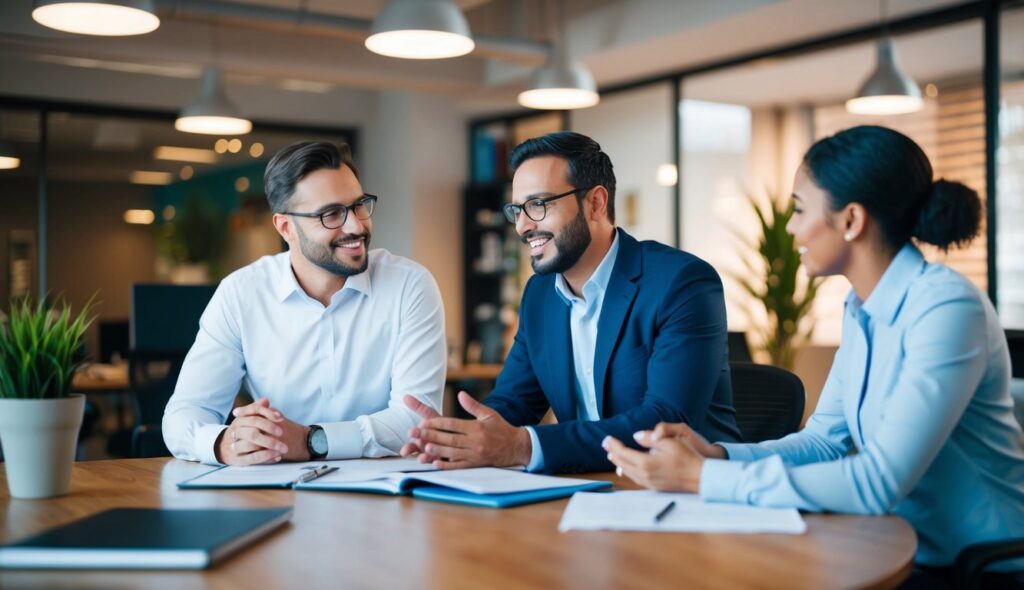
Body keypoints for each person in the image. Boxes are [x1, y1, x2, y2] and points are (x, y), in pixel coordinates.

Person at [604, 125, 1024, 576]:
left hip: (977, 567)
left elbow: (876, 482)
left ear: (851, 220)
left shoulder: (946, 308)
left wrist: (700, 478)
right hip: (892, 547)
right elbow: (824, 441)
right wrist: (718, 456)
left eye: (800, 209)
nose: (792, 227)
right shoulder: (861, 307)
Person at [402, 131, 741, 474]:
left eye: (538, 205)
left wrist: (523, 446)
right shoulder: (540, 294)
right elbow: (514, 403)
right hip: (586, 489)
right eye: (517, 209)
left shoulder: (682, 283)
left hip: (690, 493)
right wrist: (457, 438)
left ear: (596, 203)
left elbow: (666, 422)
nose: (522, 226)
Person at [163, 141, 446, 466]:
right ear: (286, 227)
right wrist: (227, 443)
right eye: (331, 214)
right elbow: (183, 416)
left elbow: (415, 420)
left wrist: (313, 441)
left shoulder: (409, 286)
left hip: (387, 495)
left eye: (358, 206)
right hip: (275, 490)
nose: (355, 226)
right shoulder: (241, 294)